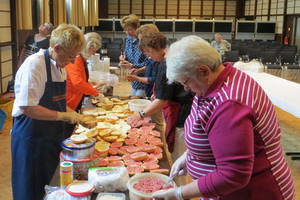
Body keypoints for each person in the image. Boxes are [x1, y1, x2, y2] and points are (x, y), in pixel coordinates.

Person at [152, 35, 296, 200]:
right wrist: (189, 156)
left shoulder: (229, 105)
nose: (186, 88)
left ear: (204, 70)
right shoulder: (216, 79)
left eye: (186, 82)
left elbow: (233, 175)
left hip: (252, 192)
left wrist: (179, 193)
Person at [11, 24, 92, 200]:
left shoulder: (59, 64)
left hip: (50, 136)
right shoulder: (35, 65)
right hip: (31, 137)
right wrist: (63, 116)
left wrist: (76, 116)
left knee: (50, 183)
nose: (72, 62)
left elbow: (58, 103)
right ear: (56, 48)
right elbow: (28, 107)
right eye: (71, 56)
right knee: (30, 187)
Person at [127, 31, 194, 185]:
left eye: (149, 53)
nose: (149, 57)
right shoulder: (172, 58)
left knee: (179, 158)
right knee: (181, 155)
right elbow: (166, 91)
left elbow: (162, 100)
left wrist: (141, 114)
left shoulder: (165, 64)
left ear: (157, 48)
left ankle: (180, 191)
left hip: (181, 114)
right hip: (185, 111)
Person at [125, 24, 165, 147]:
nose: (140, 42)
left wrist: (138, 78)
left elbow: (157, 80)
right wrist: (138, 71)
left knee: (157, 123)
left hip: (157, 96)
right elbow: (149, 67)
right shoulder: (155, 56)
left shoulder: (163, 61)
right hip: (153, 93)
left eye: (142, 39)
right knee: (150, 123)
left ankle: (159, 145)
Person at [66, 32, 104, 112]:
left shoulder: (81, 59)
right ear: (87, 47)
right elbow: (77, 82)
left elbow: (82, 80)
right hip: (69, 101)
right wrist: (96, 93)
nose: (94, 54)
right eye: (93, 51)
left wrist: (90, 86)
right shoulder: (76, 59)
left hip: (76, 99)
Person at [119, 14, 148, 97]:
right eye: (125, 30)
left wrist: (132, 65)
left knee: (139, 101)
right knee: (134, 100)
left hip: (144, 79)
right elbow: (125, 53)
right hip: (133, 78)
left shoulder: (143, 40)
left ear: (137, 28)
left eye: (130, 30)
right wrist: (123, 58)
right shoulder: (128, 38)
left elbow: (149, 63)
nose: (127, 32)